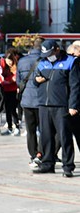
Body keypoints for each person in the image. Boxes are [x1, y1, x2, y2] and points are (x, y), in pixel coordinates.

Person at [32, 40, 79, 177]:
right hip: (44, 105)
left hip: (61, 105)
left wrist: (73, 105)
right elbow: (35, 80)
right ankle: (47, 164)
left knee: (64, 137)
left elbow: (75, 86)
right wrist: (36, 81)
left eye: (50, 53)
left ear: (57, 49)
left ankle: (68, 166)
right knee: (46, 136)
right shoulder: (42, 62)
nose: (48, 56)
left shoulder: (70, 62)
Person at [17, 38, 43, 167]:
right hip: (42, 100)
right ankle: (41, 154)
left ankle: (33, 154)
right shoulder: (45, 60)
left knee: (30, 130)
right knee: (44, 129)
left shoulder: (22, 61)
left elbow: (18, 81)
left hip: (26, 100)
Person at [1, 51, 20, 136]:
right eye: (8, 60)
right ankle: (9, 127)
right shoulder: (3, 68)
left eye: (11, 60)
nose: (10, 62)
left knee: (13, 110)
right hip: (5, 91)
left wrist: (6, 81)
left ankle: (17, 126)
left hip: (13, 91)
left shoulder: (16, 68)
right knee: (7, 110)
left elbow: (14, 78)